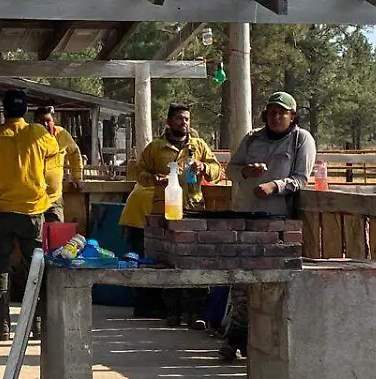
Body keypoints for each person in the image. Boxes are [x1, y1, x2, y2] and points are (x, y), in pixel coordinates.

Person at [219, 91, 316, 361]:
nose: (275, 117)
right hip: (245, 219)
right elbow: (230, 170)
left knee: (272, 286)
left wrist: (276, 186)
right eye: (271, 112)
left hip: (278, 224)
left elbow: (301, 178)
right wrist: (245, 172)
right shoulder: (252, 138)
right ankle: (234, 340)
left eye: (281, 112)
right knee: (241, 285)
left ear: (292, 116)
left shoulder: (301, 140)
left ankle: (266, 346)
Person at [0, 89, 61, 341]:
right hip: (33, 211)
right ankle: (38, 326)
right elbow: (54, 174)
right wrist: (49, 196)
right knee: (36, 268)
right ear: (25, 111)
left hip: (0, 211)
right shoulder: (41, 135)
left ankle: (1, 326)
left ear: (5, 111)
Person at [118, 103, 221, 324]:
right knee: (167, 260)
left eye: (186, 119)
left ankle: (195, 313)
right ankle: (172, 312)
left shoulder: (198, 145)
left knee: (194, 260)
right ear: (168, 122)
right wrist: (153, 179)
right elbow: (140, 172)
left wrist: (205, 168)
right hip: (163, 209)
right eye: (179, 119)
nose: (184, 123)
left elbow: (217, 171)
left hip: (192, 209)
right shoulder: (156, 148)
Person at [33, 106, 84, 223]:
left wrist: (77, 177)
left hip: (54, 198)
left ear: (53, 121)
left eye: (48, 120)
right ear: (35, 123)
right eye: (41, 121)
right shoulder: (28, 137)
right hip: (33, 199)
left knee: (57, 234)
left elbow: (75, 153)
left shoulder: (61, 134)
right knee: (35, 237)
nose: (45, 124)